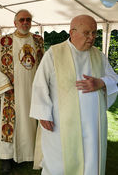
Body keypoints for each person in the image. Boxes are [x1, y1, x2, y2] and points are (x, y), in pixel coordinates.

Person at [30, 15, 118, 175]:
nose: (92, 38)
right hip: (61, 124)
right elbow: (39, 85)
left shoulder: (98, 55)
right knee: (59, 164)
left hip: (93, 125)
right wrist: (43, 114)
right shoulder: (54, 53)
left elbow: (114, 78)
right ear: (72, 32)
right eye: (87, 33)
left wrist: (101, 82)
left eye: (94, 33)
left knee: (91, 161)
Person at [0, 9, 44, 174]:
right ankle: (7, 157)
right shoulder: (6, 41)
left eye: (28, 20)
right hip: (12, 91)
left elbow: (43, 65)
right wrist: (6, 86)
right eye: (22, 20)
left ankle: (31, 154)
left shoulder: (38, 41)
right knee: (9, 124)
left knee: (31, 121)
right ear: (15, 23)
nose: (25, 23)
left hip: (32, 90)